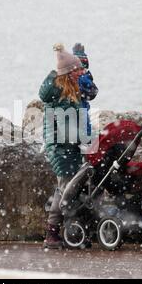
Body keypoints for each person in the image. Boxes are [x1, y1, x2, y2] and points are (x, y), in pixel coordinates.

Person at [39, 43, 87, 249]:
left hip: (65, 147)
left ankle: (61, 232)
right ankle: (53, 233)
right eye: (78, 69)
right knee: (65, 189)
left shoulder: (63, 92)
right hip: (61, 149)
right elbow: (69, 130)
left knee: (65, 188)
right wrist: (86, 140)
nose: (82, 72)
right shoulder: (61, 98)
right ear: (68, 73)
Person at [72, 43, 98, 136]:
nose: (81, 71)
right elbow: (93, 91)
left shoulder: (82, 77)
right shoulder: (84, 76)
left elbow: (93, 91)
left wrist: (81, 92)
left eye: (82, 69)